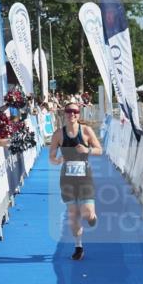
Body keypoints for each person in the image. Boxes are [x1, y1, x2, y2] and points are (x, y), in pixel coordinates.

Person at [49, 103, 102, 261]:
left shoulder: (86, 131)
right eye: (69, 111)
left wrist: (88, 150)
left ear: (79, 114)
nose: (72, 114)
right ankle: (78, 247)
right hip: (67, 178)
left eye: (75, 111)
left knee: (86, 214)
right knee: (73, 214)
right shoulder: (58, 134)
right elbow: (51, 157)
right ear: (64, 113)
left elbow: (100, 150)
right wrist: (58, 160)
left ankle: (92, 217)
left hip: (85, 177)